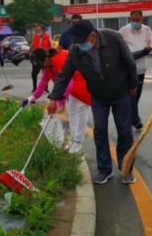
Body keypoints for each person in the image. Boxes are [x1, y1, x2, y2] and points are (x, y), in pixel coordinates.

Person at [48, 20, 138, 184]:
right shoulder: (76, 50)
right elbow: (64, 75)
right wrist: (54, 97)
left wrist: (133, 85)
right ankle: (104, 169)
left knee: (124, 131)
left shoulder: (113, 38)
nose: (80, 45)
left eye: (82, 42)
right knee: (100, 130)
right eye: (77, 42)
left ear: (93, 35)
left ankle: (126, 169)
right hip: (98, 95)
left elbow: (130, 63)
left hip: (121, 92)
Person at [24, 48, 92, 154]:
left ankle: (77, 143)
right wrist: (30, 98)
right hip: (73, 89)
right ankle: (74, 142)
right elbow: (42, 84)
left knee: (81, 113)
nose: (41, 67)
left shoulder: (60, 61)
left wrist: (56, 101)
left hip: (83, 84)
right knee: (73, 114)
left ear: (46, 59)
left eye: (40, 63)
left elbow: (67, 84)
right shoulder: (48, 66)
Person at [119, 10, 152, 130]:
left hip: (141, 68)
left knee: (137, 94)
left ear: (142, 19)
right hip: (128, 68)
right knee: (132, 94)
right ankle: (135, 119)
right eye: (133, 20)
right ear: (130, 19)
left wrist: (149, 49)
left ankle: (130, 117)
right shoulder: (124, 30)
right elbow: (119, 44)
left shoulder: (146, 30)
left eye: (137, 20)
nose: (135, 22)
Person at [29, 25, 51, 92]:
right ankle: (34, 88)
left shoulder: (48, 38)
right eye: (37, 30)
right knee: (34, 73)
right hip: (36, 58)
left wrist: (49, 56)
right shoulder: (35, 37)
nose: (38, 31)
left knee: (45, 73)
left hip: (44, 58)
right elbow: (32, 45)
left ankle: (45, 88)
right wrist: (29, 52)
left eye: (39, 30)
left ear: (43, 30)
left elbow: (51, 47)